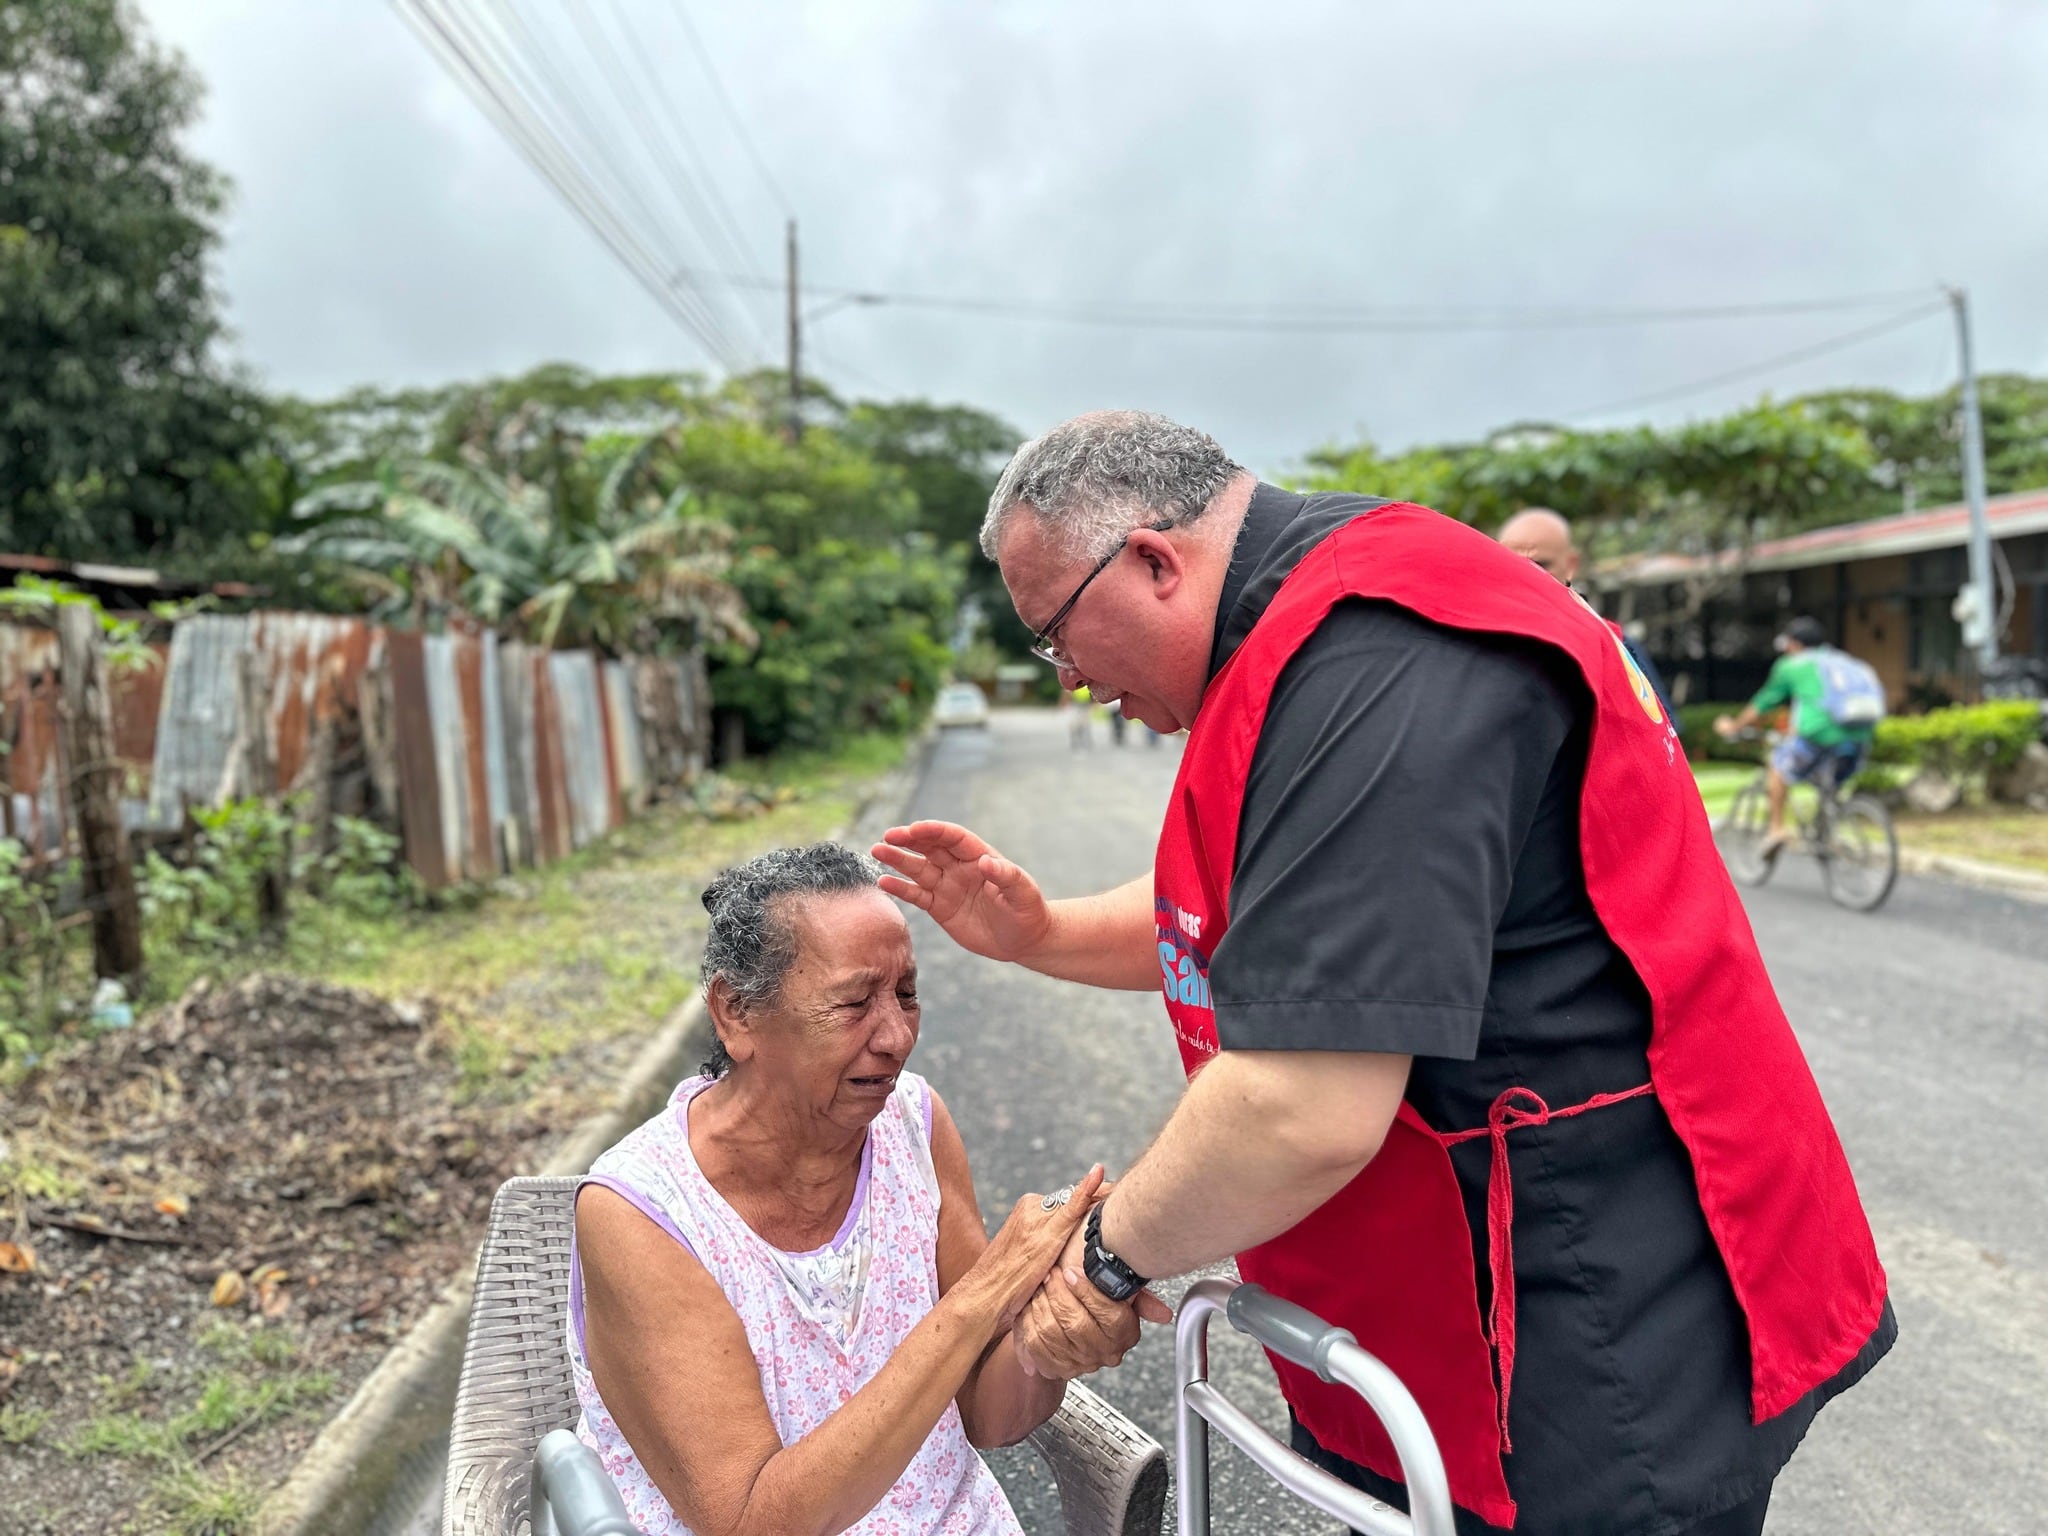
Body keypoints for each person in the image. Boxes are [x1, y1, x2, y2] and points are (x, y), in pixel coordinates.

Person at [874, 412, 1893, 1536]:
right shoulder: (1296, 640)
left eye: (1056, 636)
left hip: (1586, 1309)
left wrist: (1099, 1267)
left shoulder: (1376, 652)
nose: (1067, 680)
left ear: (1154, 560)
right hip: (1454, 1290)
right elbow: (1260, 921)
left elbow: (1299, 1106)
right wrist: (1039, 932)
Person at [569, 843, 1158, 1535]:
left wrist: (1050, 1342)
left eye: (906, 994)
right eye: (853, 1003)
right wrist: (991, 1289)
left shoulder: (913, 1121)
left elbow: (984, 1414)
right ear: (736, 1014)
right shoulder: (641, 1213)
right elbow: (751, 1522)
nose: (897, 1035)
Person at [1714, 616, 1879, 856]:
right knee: (1827, 785)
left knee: (1777, 766)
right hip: (1860, 735)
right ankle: (1827, 833)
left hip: (1820, 735)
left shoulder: (1792, 665)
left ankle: (1776, 829)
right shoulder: (1841, 661)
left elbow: (1764, 702)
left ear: (1794, 644)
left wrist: (1734, 726)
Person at [1498, 506, 1672, 715]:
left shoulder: (1615, 648)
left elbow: (1658, 734)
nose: (1527, 576)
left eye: (1540, 564)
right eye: (1511, 564)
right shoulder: (1478, 647)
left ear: (1571, 564)